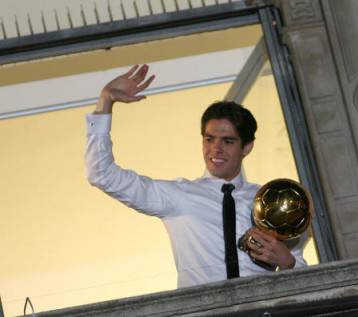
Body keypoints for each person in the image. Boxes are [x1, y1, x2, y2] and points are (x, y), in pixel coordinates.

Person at [85, 64, 307, 288]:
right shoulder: (178, 196)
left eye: (227, 141)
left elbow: (306, 280)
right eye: (209, 139)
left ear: (247, 147)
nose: (216, 149)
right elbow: (102, 174)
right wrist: (105, 102)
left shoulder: (271, 203)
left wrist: (287, 262)